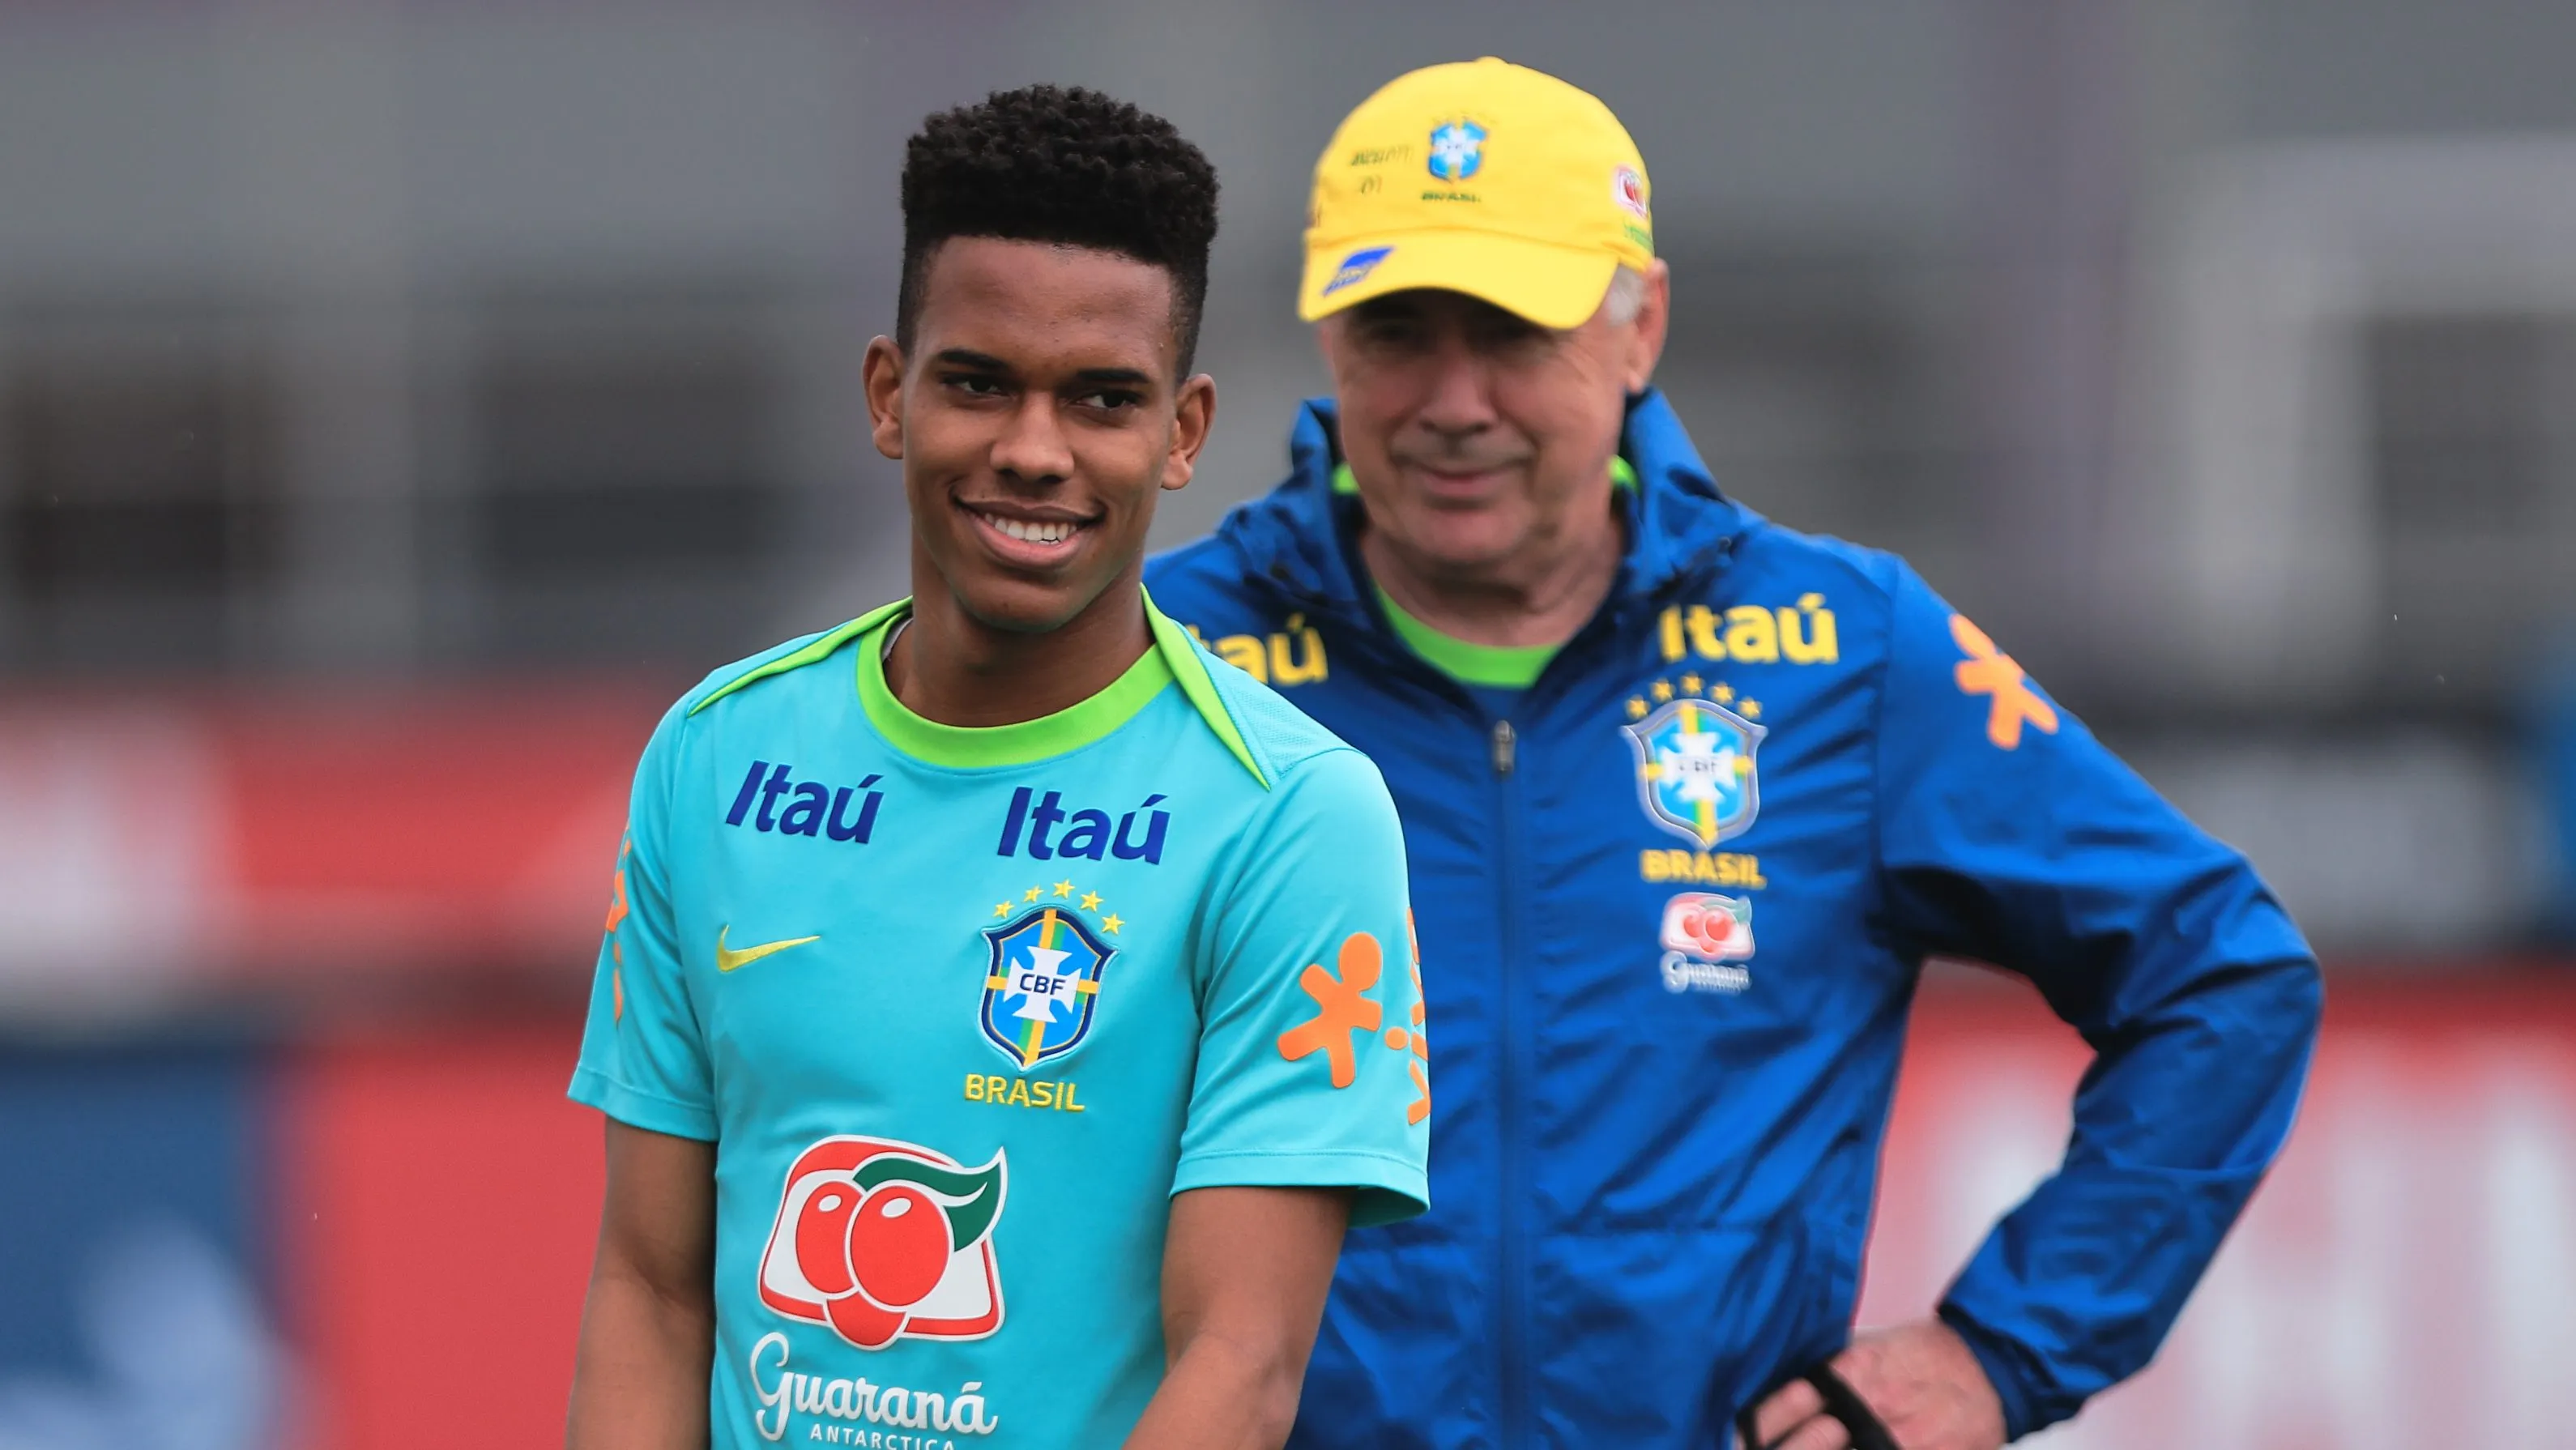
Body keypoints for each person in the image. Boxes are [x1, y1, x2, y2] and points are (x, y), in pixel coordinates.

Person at [1147, 58, 2322, 1450]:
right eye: (1399, 328)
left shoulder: (1851, 651)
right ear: (1329, 333)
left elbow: (2225, 974)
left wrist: (2000, 1351)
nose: (1454, 399)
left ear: (1641, 327)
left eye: (1516, 331)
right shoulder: (1167, 660)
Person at [564, 85, 1428, 1450]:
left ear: (1185, 431)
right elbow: (654, 1289)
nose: (1034, 450)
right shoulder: (713, 757)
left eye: (1102, 399)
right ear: (888, 395)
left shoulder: (1290, 817)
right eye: (978, 382)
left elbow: (1243, 1364)